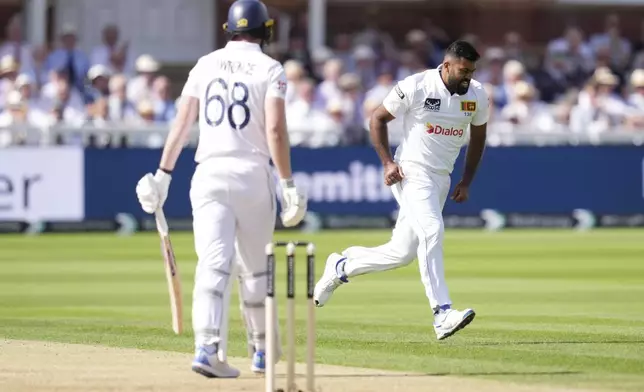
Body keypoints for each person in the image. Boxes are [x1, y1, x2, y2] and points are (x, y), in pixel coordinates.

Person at [135, 0, 307, 378]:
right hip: (251, 175)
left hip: (209, 173)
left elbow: (182, 123)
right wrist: (288, 183)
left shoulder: (206, 63)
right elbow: (276, 130)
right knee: (255, 269)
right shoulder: (271, 69)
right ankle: (262, 352)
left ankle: (207, 349)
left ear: (229, 30)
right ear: (266, 31)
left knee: (213, 265)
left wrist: (163, 173)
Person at [313, 40, 489, 341]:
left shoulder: (477, 95)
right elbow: (377, 119)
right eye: (463, 70)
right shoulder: (417, 85)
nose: (467, 77)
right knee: (432, 231)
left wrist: (466, 181)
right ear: (446, 66)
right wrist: (386, 163)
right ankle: (442, 313)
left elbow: (478, 138)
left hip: (442, 178)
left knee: (402, 253)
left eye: (471, 72)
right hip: (411, 172)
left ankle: (342, 266)